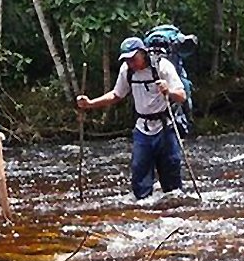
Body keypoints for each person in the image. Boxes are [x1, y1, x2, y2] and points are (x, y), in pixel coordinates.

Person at [75, 36, 186, 199]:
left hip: (165, 128)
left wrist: (168, 90)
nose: (130, 63)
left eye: (133, 59)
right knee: (139, 179)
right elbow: (116, 95)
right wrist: (90, 104)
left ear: (143, 53)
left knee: (172, 184)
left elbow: (182, 96)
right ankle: (143, 214)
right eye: (127, 59)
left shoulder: (162, 66)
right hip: (142, 129)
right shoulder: (126, 71)